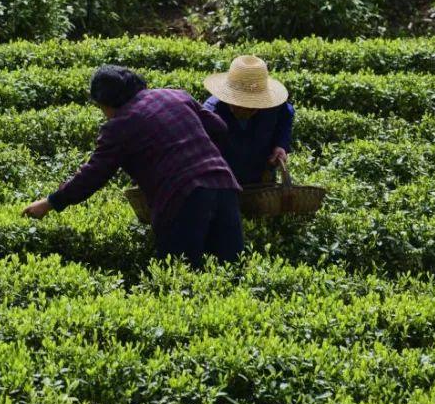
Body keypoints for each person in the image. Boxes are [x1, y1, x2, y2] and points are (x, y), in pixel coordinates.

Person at [22, 65, 244, 269]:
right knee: (230, 272)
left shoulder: (118, 127)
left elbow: (93, 175)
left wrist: (50, 202)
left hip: (182, 198)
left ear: (107, 103)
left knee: (180, 277)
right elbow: (219, 127)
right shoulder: (175, 95)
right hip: (224, 185)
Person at [202, 55, 294, 185]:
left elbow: (286, 115)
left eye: (252, 107)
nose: (245, 111)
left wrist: (281, 144)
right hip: (225, 184)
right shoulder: (212, 112)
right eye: (239, 106)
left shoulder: (273, 105)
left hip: (262, 182)